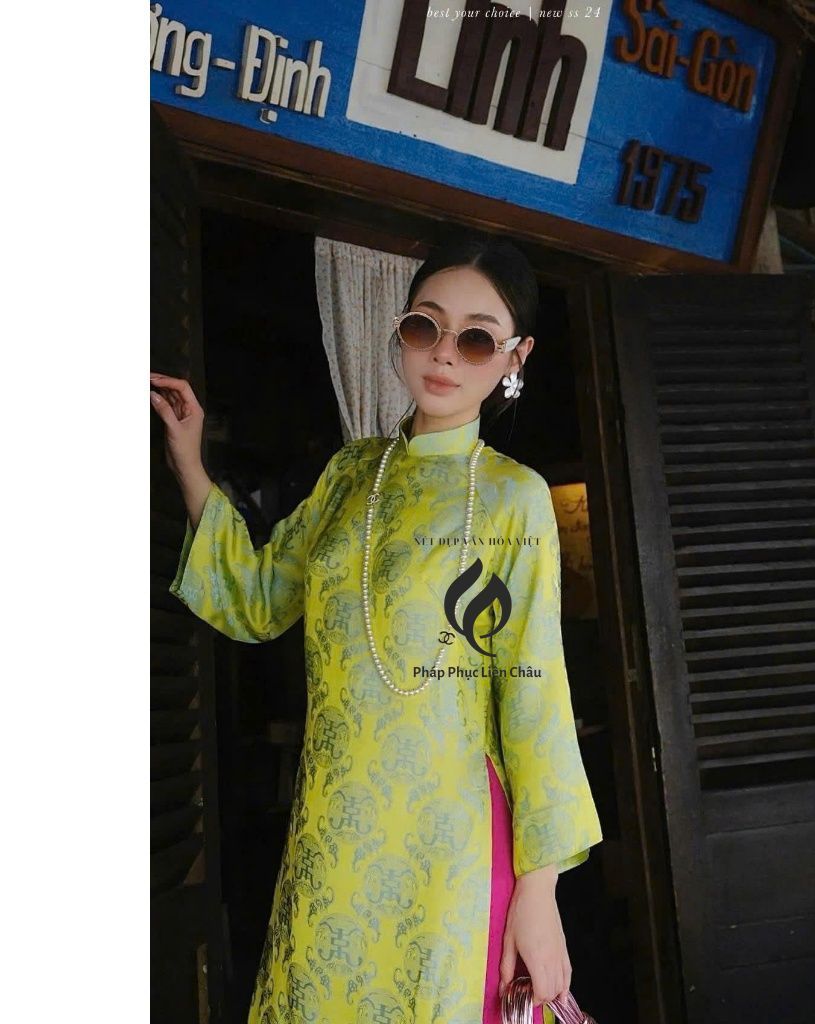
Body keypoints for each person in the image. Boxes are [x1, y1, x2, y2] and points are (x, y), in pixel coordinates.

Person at [150, 236, 603, 1024]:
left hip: (448, 841)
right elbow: (256, 600)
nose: (444, 354)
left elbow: (534, 695)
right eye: (426, 326)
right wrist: (190, 462)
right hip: (331, 826)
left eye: (476, 339)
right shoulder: (348, 474)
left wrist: (540, 892)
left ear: (515, 356)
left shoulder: (513, 498)